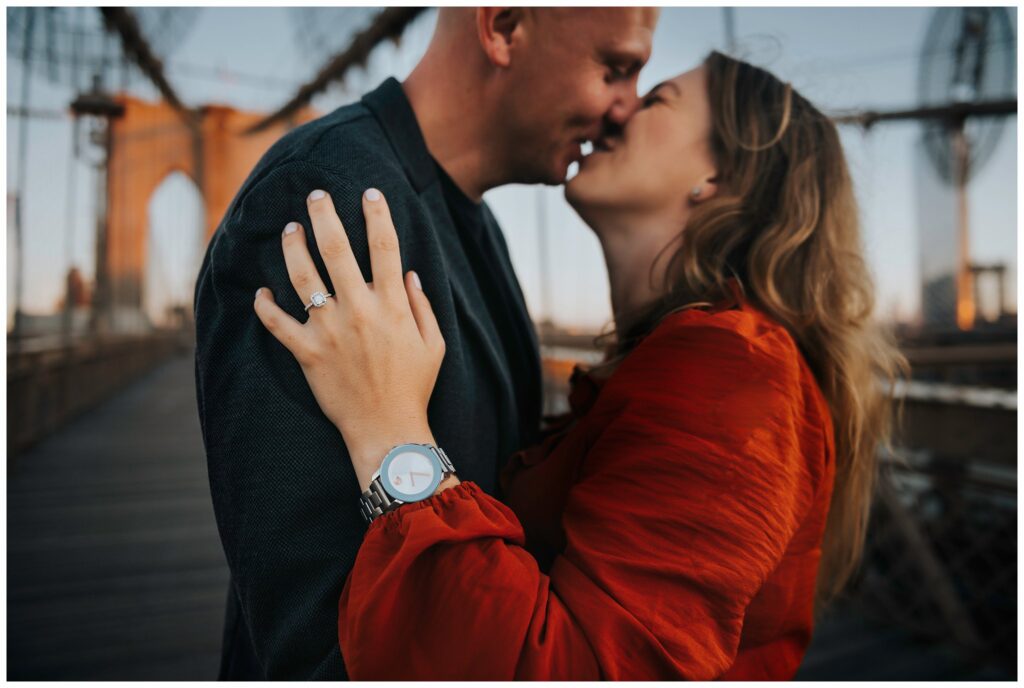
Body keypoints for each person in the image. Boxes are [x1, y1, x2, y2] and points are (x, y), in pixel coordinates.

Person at [252, 50, 910, 679]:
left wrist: (390, 433)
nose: (616, 109)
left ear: (717, 177)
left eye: (655, 98)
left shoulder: (738, 373)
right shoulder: (690, 362)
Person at [193, 7, 659, 680]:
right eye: (616, 68)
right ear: (502, 26)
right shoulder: (324, 199)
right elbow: (313, 643)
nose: (628, 108)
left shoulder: (477, 221)